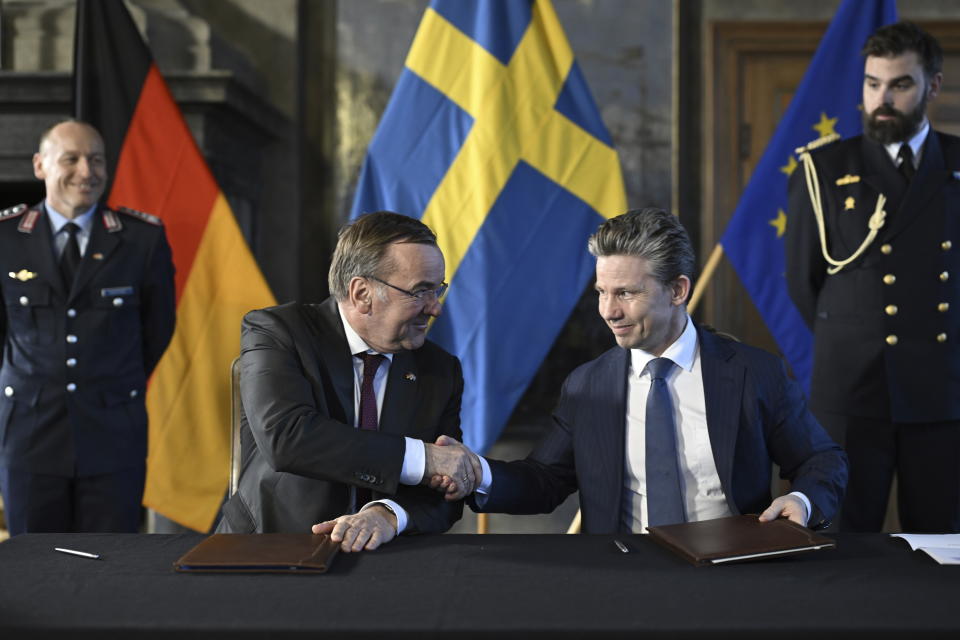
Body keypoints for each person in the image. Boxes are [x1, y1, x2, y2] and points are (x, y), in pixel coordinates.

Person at [433, 208, 846, 533]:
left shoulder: (754, 373)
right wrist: (478, 473)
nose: (609, 312)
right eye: (602, 293)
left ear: (678, 290)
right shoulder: (587, 386)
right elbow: (544, 481)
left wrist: (803, 502)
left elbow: (821, 459)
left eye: (627, 294)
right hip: (624, 578)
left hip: (733, 574)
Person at [217, 211, 480, 552]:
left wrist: (388, 515)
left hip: (388, 563)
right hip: (270, 546)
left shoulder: (440, 370)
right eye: (420, 292)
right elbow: (288, 438)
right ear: (361, 293)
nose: (435, 308)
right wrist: (422, 459)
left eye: (438, 290)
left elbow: (446, 493)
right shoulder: (279, 332)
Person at [786, 22, 960, 533]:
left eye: (900, 84)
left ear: (933, 86)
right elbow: (804, 284)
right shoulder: (821, 169)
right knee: (840, 543)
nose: (882, 98)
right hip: (852, 391)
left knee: (943, 545)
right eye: (872, 83)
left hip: (943, 387)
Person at [0, 119, 176, 535]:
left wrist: (109, 379)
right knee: (32, 569)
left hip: (114, 430)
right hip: (29, 432)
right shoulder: (6, 237)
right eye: (72, 159)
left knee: (109, 567)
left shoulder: (140, 239)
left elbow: (159, 328)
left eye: (96, 160)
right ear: (41, 165)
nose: (87, 171)